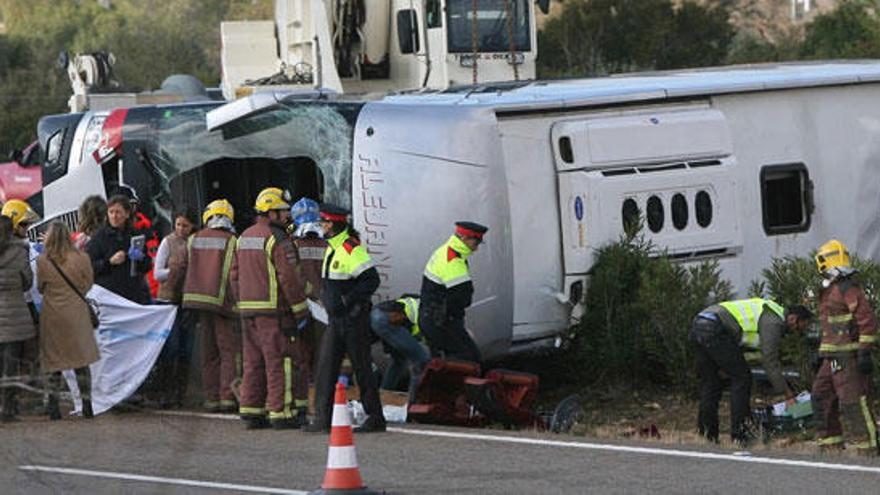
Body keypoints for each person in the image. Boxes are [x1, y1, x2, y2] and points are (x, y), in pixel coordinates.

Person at [231, 188, 310, 429]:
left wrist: (241, 301)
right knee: (280, 360)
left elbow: (234, 275)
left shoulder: (244, 236)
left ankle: (252, 410)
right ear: (271, 212)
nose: (287, 217)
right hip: (274, 311)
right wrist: (300, 309)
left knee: (253, 361)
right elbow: (288, 277)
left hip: (247, 310)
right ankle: (281, 412)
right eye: (283, 212)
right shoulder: (278, 239)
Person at [689, 298, 812, 446]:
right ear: (793, 319)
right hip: (716, 329)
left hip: (700, 324)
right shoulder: (774, 322)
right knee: (742, 378)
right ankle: (740, 435)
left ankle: (707, 435)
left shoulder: (767, 312)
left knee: (712, 383)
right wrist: (788, 394)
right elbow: (770, 361)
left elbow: (744, 349)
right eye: (799, 327)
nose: (797, 332)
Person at [306, 203, 384, 434]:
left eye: (324, 222)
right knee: (326, 367)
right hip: (336, 320)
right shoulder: (333, 247)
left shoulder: (351, 249)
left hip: (352, 320)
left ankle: (375, 417)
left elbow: (371, 280)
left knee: (362, 369)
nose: (321, 226)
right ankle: (323, 418)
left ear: (333, 224)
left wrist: (347, 301)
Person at [811, 239, 879, 455]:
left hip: (848, 358)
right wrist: (821, 352)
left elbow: (867, 321)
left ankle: (867, 450)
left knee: (853, 403)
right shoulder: (830, 289)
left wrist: (864, 352)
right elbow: (830, 326)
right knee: (820, 397)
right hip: (832, 357)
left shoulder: (848, 288)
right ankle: (830, 447)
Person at [35, 222, 100, 420]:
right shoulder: (82, 257)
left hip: (53, 314)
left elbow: (40, 287)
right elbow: (88, 283)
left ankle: (54, 409)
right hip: (77, 313)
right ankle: (87, 405)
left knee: (54, 362)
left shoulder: (43, 260)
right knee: (80, 361)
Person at [181, 200, 240, 413]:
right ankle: (226, 399)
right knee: (227, 351)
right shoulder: (233, 241)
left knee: (208, 353)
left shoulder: (193, 239)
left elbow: (181, 267)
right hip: (223, 303)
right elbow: (235, 275)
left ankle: (211, 399)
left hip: (198, 303)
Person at [419, 221, 488, 363]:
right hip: (441, 321)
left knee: (442, 364)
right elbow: (461, 298)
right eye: (476, 243)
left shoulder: (444, 250)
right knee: (468, 360)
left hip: (432, 318)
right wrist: (458, 327)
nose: (476, 249)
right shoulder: (453, 261)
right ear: (464, 238)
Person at [153, 207, 197, 408]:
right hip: (168, 300)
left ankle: (180, 392)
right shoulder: (167, 242)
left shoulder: (195, 242)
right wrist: (175, 270)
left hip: (187, 300)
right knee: (171, 347)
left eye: (185, 225)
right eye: (178, 224)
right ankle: (165, 391)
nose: (181, 229)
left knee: (186, 349)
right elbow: (157, 274)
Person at [288, 197, 326, 414]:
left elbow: (296, 276)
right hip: (323, 306)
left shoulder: (293, 243)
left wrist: (313, 295)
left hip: (305, 306)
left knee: (305, 354)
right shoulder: (327, 242)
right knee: (320, 353)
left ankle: (307, 399)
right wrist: (324, 296)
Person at [86, 194, 152, 304]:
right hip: (108, 296)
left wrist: (141, 258)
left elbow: (146, 266)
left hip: (132, 294)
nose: (114, 216)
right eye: (111, 212)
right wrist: (109, 262)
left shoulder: (135, 235)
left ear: (127, 214)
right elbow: (88, 267)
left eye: (118, 212)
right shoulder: (99, 237)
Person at [0, 216, 35, 422]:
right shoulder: (20, 252)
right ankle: (8, 408)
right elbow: (27, 282)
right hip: (15, 315)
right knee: (11, 365)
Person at [370, 295, 430, 399]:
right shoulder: (433, 316)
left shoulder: (423, 303)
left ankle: (384, 394)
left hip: (379, 314)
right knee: (422, 360)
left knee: (399, 360)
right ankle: (415, 401)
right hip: (388, 319)